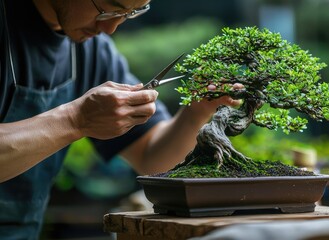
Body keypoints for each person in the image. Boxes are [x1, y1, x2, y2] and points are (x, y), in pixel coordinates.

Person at [0, 0, 240, 239]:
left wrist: (196, 113)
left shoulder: (90, 48)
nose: (111, 28)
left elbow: (153, 160)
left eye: (130, 13)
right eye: (109, 9)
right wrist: (75, 119)